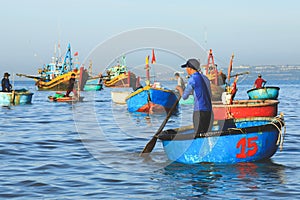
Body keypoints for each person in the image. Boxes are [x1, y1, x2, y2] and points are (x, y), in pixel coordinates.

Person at [181, 58, 212, 135]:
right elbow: (209, 94)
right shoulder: (206, 78)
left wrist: (179, 89)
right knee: (206, 134)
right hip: (209, 111)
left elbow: (184, 96)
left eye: (186, 68)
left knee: (198, 135)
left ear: (190, 68)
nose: (186, 70)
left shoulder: (192, 79)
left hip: (199, 111)